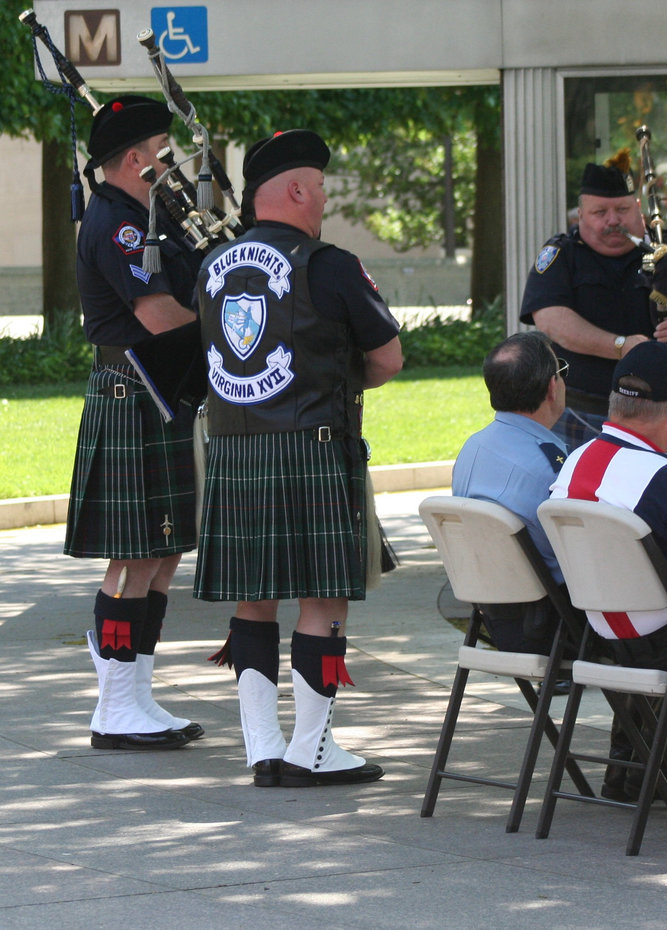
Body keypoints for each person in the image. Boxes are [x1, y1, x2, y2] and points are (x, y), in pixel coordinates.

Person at [194, 130, 403, 788]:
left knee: (254, 600)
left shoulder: (211, 266)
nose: (322, 203)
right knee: (322, 598)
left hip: (233, 449)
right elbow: (388, 358)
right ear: (293, 191)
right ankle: (311, 748)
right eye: (318, 190)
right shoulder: (330, 264)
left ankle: (262, 747)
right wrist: (339, 382)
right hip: (312, 443)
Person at [65, 95, 204, 751]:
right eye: (163, 154)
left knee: (162, 549)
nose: (170, 167)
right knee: (132, 556)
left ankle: (137, 693)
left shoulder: (147, 215)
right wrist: (228, 340)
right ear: (133, 158)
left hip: (157, 389)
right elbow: (157, 316)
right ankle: (115, 704)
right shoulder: (118, 224)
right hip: (134, 389)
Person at [550, 340, 667, 809]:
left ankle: (629, 767)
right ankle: (658, 764)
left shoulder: (573, 462)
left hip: (595, 628)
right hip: (662, 640)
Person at [520, 152, 667, 465]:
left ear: (638, 209)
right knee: (577, 506)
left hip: (662, 414)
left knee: (665, 507)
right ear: (581, 217)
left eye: (622, 209)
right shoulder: (563, 255)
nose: (613, 220)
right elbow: (549, 318)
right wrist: (620, 346)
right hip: (583, 410)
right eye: (600, 212)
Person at [452, 331, 569, 654]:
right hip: (554, 631)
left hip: (495, 620)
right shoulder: (550, 467)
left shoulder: (471, 449)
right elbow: (576, 559)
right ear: (551, 388)